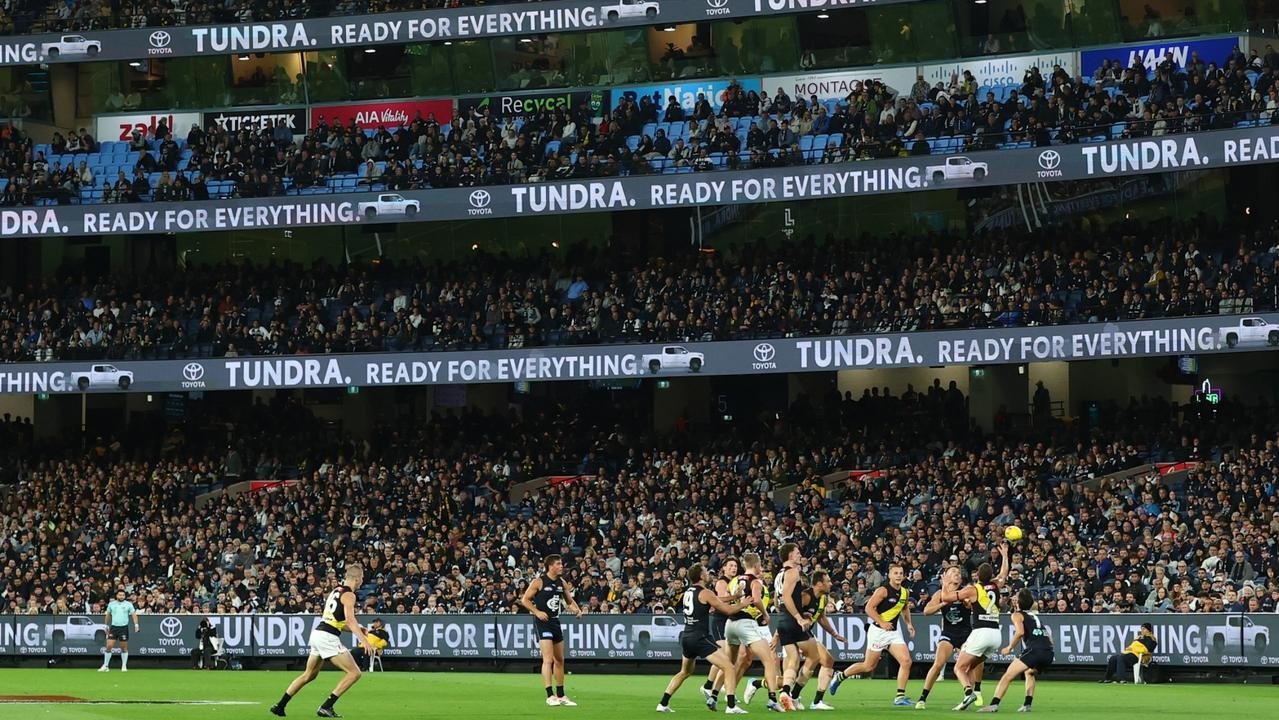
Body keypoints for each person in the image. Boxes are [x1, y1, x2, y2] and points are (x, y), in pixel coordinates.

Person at [270, 563, 374, 718]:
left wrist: (361, 629)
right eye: (362, 578)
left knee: (309, 675)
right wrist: (364, 640)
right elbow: (350, 621)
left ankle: (280, 705)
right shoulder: (349, 595)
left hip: (318, 634)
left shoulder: (335, 592)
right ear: (357, 579)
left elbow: (337, 622)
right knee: (354, 673)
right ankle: (326, 706)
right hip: (327, 637)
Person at [655, 564, 754, 714]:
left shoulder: (689, 591)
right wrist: (742, 604)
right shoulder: (706, 592)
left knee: (684, 672)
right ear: (701, 576)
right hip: (699, 637)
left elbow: (716, 599)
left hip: (687, 637)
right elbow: (727, 609)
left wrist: (735, 596)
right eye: (706, 572)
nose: (708, 574)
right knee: (728, 666)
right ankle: (732, 706)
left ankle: (663, 704)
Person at [828, 563, 915, 706]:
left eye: (901, 573)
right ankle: (840, 676)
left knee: (906, 661)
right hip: (878, 632)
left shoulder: (905, 592)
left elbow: (904, 608)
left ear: (904, 575)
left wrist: (909, 624)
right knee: (868, 666)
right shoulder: (883, 590)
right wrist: (881, 622)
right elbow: (868, 608)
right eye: (896, 573)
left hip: (893, 632)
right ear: (890, 575)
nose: (899, 575)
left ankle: (900, 697)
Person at [520, 554, 585, 707]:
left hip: (555, 622)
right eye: (558, 564)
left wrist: (577, 610)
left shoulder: (562, 583)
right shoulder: (539, 582)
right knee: (548, 659)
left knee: (560, 660)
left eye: (561, 564)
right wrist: (537, 612)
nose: (561, 566)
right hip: (543, 623)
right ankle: (550, 695)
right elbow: (525, 600)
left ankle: (561, 695)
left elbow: (569, 601)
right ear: (550, 566)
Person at [953, 543, 1011, 711]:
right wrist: (1005, 556)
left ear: (977, 575)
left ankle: (968, 692)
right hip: (996, 635)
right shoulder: (995, 585)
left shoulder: (973, 589)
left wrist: (946, 584)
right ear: (991, 575)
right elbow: (1004, 573)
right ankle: (972, 695)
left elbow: (951, 597)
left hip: (981, 632)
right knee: (969, 666)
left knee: (958, 667)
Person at [917, 564, 984, 709]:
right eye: (953, 572)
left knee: (974, 663)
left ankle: (975, 691)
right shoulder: (940, 594)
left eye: (959, 572)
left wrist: (967, 604)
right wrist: (943, 603)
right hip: (948, 633)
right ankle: (922, 698)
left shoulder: (965, 592)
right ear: (945, 576)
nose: (957, 574)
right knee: (938, 664)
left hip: (966, 634)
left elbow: (971, 606)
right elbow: (926, 611)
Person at [977, 589, 1054, 713]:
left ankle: (993, 705)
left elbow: (1020, 632)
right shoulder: (1034, 616)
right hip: (1049, 652)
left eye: (1016, 597)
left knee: (1007, 676)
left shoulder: (1017, 615)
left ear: (1018, 601)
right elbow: (1050, 639)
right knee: (1029, 673)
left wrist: (1009, 647)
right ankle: (1027, 704)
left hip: (1034, 651)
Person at [726, 552, 785, 712]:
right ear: (756, 565)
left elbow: (728, 598)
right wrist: (765, 614)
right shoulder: (756, 581)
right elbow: (757, 600)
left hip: (730, 623)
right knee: (769, 661)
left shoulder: (735, 580)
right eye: (760, 564)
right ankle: (772, 699)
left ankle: (720, 695)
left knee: (731, 663)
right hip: (747, 623)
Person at [785, 569, 845, 711]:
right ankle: (758, 684)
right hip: (792, 634)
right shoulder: (805, 596)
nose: (831, 583)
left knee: (828, 661)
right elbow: (788, 614)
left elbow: (820, 617)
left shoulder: (823, 598)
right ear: (819, 584)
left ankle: (815, 701)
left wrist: (834, 634)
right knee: (787, 677)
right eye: (828, 581)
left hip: (806, 634)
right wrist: (777, 636)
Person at [698, 557, 739, 704]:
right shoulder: (722, 581)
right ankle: (712, 686)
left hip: (729, 621)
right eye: (731, 566)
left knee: (728, 657)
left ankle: (710, 686)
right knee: (724, 656)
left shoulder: (735, 582)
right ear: (724, 568)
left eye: (735, 566)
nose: (734, 568)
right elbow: (720, 599)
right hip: (720, 620)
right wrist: (736, 596)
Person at [99, 588, 140, 672]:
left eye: (123, 595)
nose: (121, 596)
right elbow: (108, 615)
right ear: (116, 596)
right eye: (120, 595)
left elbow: (133, 615)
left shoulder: (128, 604)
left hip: (123, 628)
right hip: (114, 627)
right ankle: (105, 665)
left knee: (124, 648)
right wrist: (106, 625)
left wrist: (136, 625)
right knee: (109, 646)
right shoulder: (111, 604)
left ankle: (124, 666)